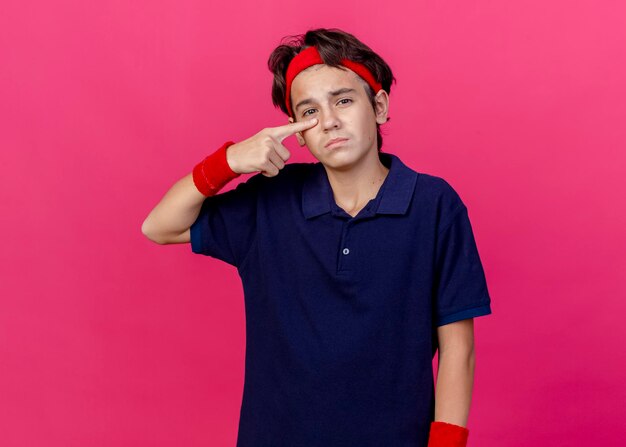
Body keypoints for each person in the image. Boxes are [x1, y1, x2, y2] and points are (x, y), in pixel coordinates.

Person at [142, 27, 493, 447]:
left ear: (378, 106)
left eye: (343, 100)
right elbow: (160, 226)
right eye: (308, 112)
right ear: (297, 130)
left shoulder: (434, 204)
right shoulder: (270, 200)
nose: (328, 121)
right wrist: (231, 160)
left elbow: (459, 350)